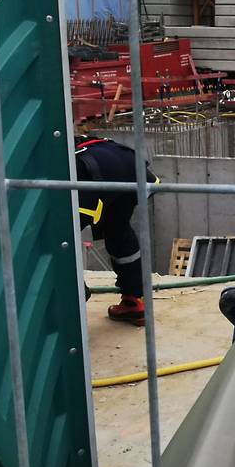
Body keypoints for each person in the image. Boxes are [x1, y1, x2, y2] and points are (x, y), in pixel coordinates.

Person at [75, 135, 159, 326]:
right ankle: (135, 301)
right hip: (128, 166)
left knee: (61, 237)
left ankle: (76, 296)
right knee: (118, 229)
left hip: (95, 172)